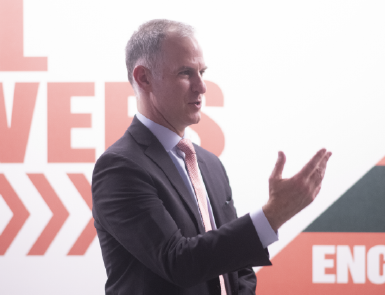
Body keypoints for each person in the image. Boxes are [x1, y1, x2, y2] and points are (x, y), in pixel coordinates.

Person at [92, 19, 331, 295]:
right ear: (144, 78)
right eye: (185, 73)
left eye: (202, 72)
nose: (202, 87)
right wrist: (272, 215)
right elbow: (178, 262)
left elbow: (239, 269)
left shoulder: (209, 164)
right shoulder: (120, 168)